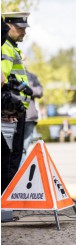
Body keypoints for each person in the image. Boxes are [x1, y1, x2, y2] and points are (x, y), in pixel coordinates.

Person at [1, 12, 31, 193]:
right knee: (10, 156)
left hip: (15, 109)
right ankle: (6, 198)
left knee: (11, 155)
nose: (24, 32)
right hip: (10, 111)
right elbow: (2, 79)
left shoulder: (11, 47)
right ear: (8, 27)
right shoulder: (5, 48)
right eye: (20, 28)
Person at [21, 63, 43, 163]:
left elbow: (40, 92)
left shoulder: (32, 76)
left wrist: (28, 89)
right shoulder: (10, 73)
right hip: (15, 115)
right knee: (17, 150)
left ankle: (20, 174)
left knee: (24, 148)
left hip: (29, 116)